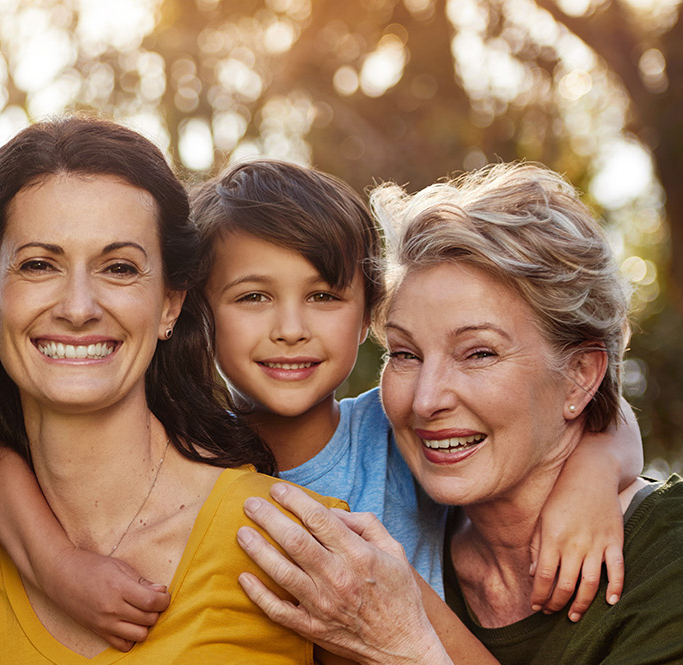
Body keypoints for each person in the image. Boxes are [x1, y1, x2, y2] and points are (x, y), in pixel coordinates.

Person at [0, 159, 641, 652]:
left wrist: (593, 473)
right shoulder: (186, 458)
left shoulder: (401, 423)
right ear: (194, 307)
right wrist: (57, 563)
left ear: (369, 314)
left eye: (323, 296)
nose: (290, 328)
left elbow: (580, 408)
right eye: (253, 296)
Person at [0, 115, 344, 663]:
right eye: (38, 265)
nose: (78, 307)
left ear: (170, 303)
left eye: (120, 268)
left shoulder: (286, 540)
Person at [235, 163, 682, 665]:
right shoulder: (411, 519)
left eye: (479, 353)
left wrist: (407, 646)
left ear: (580, 375)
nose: (426, 401)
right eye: (404, 354)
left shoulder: (667, 555)